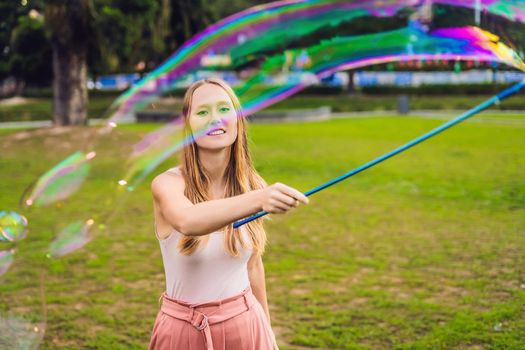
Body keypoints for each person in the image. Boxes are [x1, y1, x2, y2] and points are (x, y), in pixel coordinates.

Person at [148, 77, 309, 350]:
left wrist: (266, 333)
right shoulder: (167, 184)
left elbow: (253, 265)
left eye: (224, 109)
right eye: (202, 112)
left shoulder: (251, 185)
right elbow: (188, 220)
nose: (215, 119)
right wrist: (259, 198)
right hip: (183, 332)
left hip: (246, 325)